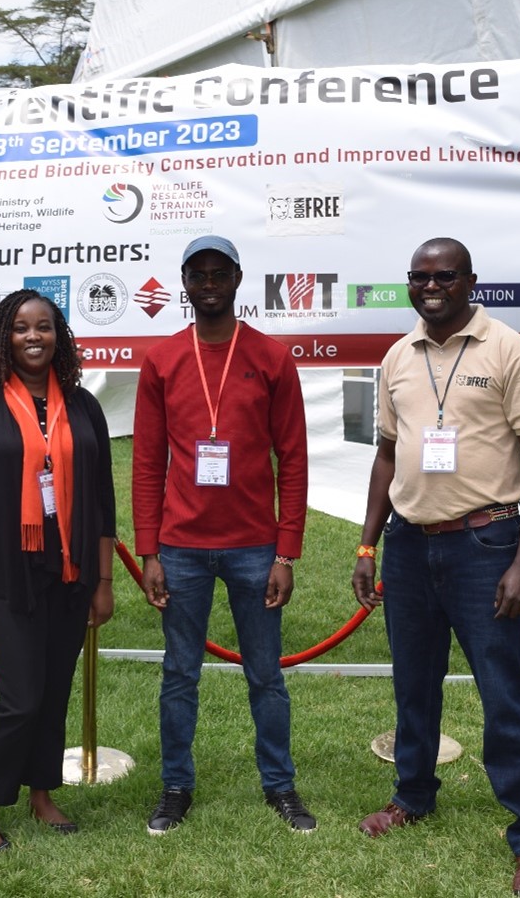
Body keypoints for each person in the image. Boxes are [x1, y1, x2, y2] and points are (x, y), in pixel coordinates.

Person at [350, 237, 520, 895]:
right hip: (409, 548)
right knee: (414, 685)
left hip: (484, 546)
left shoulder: (507, 350)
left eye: (443, 275)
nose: (430, 285)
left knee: (503, 694)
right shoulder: (397, 355)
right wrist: (367, 544)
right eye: (419, 276)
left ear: (469, 281)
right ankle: (411, 796)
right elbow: (387, 455)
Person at [132, 235, 315, 834]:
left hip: (254, 547)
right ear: (184, 282)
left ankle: (280, 786)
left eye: (219, 273)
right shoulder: (161, 359)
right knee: (179, 673)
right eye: (198, 274)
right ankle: (175, 787)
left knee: (266, 673)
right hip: (181, 548)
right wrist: (148, 550)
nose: (209, 283)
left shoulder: (270, 356)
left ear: (237, 279)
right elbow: (147, 461)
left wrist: (287, 551)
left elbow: (293, 457)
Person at [0, 289, 116, 852]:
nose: (34, 337)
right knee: (19, 699)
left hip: (70, 571)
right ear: (3, 336)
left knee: (54, 690)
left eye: (44, 326)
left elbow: (104, 501)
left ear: (59, 335)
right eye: (21, 328)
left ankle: (42, 794)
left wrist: (105, 580)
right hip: (7, 576)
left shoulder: (84, 405)